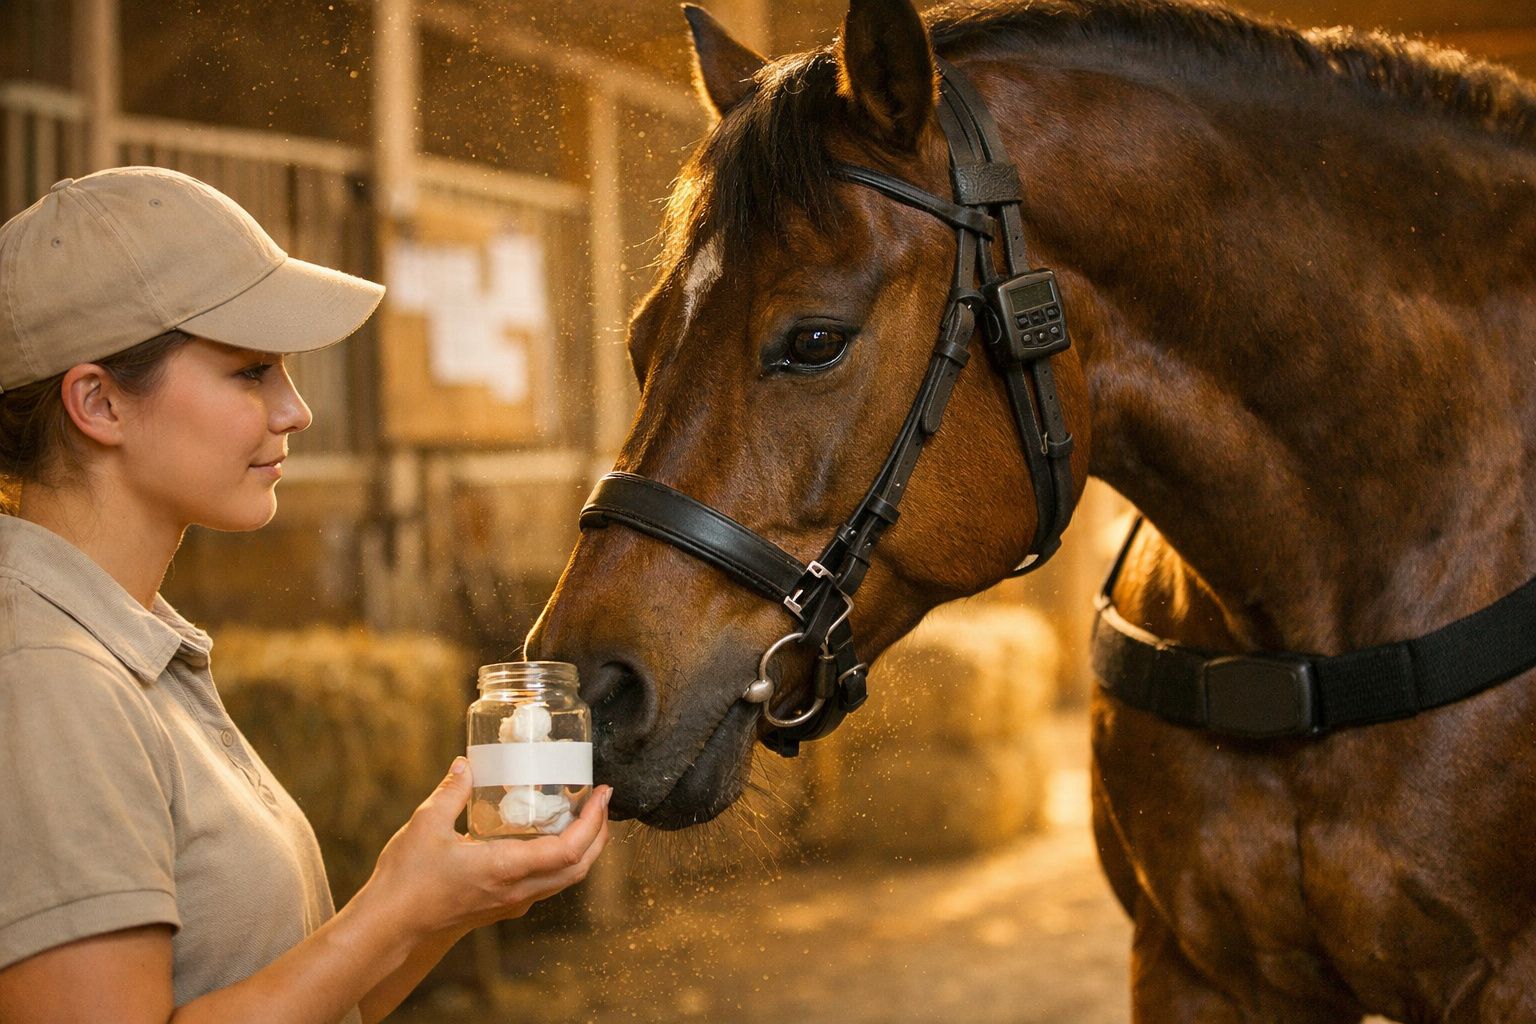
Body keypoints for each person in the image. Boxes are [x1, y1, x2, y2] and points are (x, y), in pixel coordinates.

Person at [0, 166, 610, 1023]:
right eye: (250, 372)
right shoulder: (46, 676)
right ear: (99, 402)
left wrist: (440, 908)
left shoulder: (124, 642)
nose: (295, 410)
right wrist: (391, 909)